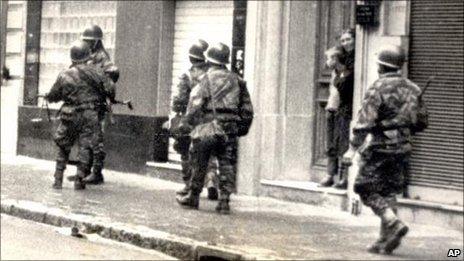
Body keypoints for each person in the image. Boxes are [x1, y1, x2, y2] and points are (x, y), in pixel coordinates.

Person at [343, 44, 427, 254]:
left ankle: (393, 222)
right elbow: (422, 122)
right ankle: (385, 240)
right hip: (404, 147)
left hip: (381, 146)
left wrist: (351, 150)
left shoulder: (377, 88)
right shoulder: (414, 89)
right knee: (388, 190)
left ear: (381, 66)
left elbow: (364, 123)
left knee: (364, 187)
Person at [176, 42, 253, 214]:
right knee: (227, 164)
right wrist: (241, 128)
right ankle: (224, 202)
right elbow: (247, 109)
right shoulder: (238, 80)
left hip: (208, 127)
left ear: (210, 61)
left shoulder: (205, 79)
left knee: (199, 161)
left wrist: (187, 123)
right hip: (230, 129)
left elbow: (194, 103)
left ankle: (193, 197)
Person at [45, 40, 115, 190]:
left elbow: (53, 96)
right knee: (85, 147)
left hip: (69, 115)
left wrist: (48, 96)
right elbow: (110, 90)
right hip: (89, 115)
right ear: (87, 56)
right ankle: (79, 181)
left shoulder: (64, 75)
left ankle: (57, 181)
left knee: (63, 146)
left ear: (72, 58)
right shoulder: (97, 72)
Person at [67, 25, 119, 185]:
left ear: (96, 42)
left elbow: (111, 78)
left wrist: (101, 88)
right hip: (84, 102)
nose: (87, 43)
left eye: (89, 41)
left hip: (96, 104)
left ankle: (97, 172)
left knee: (96, 140)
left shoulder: (102, 58)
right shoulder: (87, 54)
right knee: (86, 138)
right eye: (85, 41)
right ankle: (85, 170)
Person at [170, 39, 219, 200]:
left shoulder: (188, 76)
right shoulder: (213, 76)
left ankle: (188, 185)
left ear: (191, 58)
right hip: (210, 120)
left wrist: (178, 115)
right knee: (209, 154)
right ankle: (211, 181)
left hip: (191, 119)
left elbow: (179, 101)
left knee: (185, 151)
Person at [319, 29, 355, 189]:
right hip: (333, 105)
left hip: (345, 107)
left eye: (349, 39)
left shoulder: (350, 62)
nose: (346, 43)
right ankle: (330, 174)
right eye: (343, 40)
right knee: (331, 142)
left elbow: (344, 85)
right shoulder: (341, 63)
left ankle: (344, 177)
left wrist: (339, 70)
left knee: (343, 143)